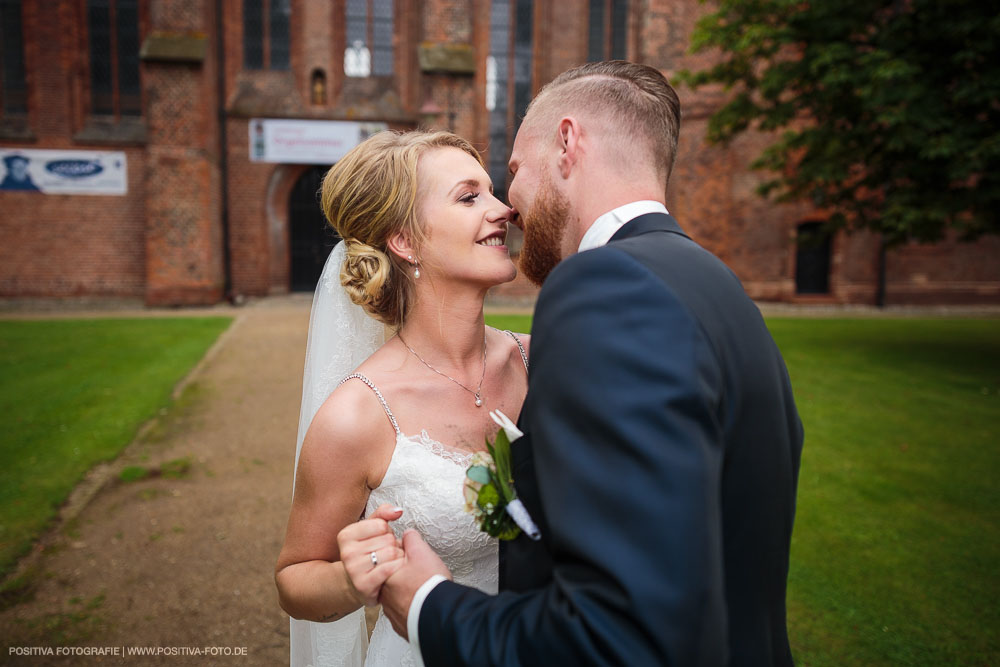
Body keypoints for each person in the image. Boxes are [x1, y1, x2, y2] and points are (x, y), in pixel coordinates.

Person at [377, 61, 805, 665]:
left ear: (568, 143)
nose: (512, 207)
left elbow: (617, 635)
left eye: (514, 172)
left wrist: (427, 604)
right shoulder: (718, 286)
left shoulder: (605, 287)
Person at [275, 130, 531, 666]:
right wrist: (351, 579)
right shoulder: (357, 415)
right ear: (405, 242)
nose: (504, 209)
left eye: (493, 191)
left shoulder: (545, 361)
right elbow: (295, 579)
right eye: (469, 197)